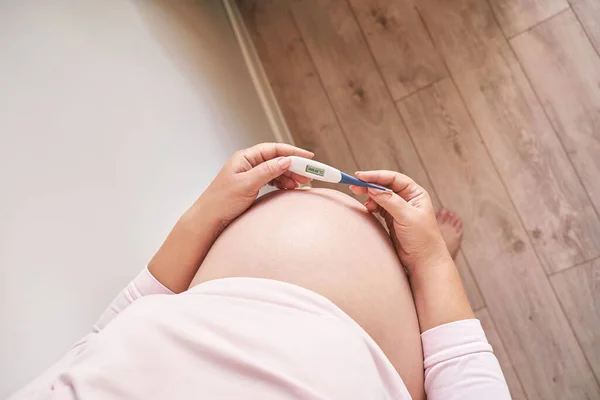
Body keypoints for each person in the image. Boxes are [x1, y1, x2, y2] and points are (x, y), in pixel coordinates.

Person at [10, 143, 511, 399]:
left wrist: (206, 214)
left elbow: (101, 341)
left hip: (218, 295)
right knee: (424, 279)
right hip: (378, 348)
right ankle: (418, 287)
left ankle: (407, 281)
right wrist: (430, 262)